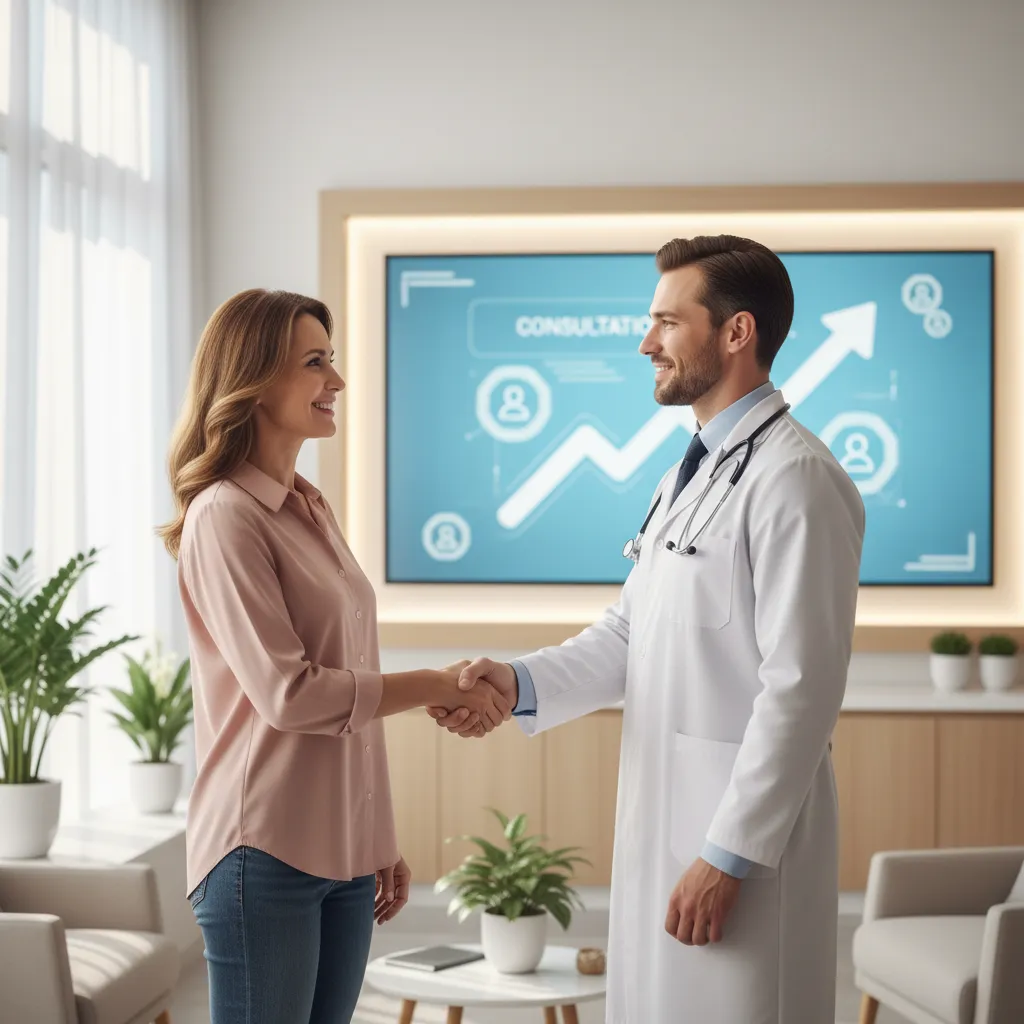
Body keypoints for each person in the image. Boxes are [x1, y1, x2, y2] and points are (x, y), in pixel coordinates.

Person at [430, 236, 866, 1023]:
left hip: (738, 850)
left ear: (736, 332)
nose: (645, 343)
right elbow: (630, 635)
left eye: (667, 322)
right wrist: (517, 681)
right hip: (667, 827)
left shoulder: (797, 479)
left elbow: (802, 690)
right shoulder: (686, 476)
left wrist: (729, 854)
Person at [160, 289, 510, 1024]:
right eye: (315, 362)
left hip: (344, 857)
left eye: (332, 359)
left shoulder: (310, 507)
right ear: (255, 380)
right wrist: (435, 683)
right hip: (261, 853)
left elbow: (351, 684)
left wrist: (375, 836)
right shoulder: (224, 516)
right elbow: (290, 694)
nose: (337, 380)